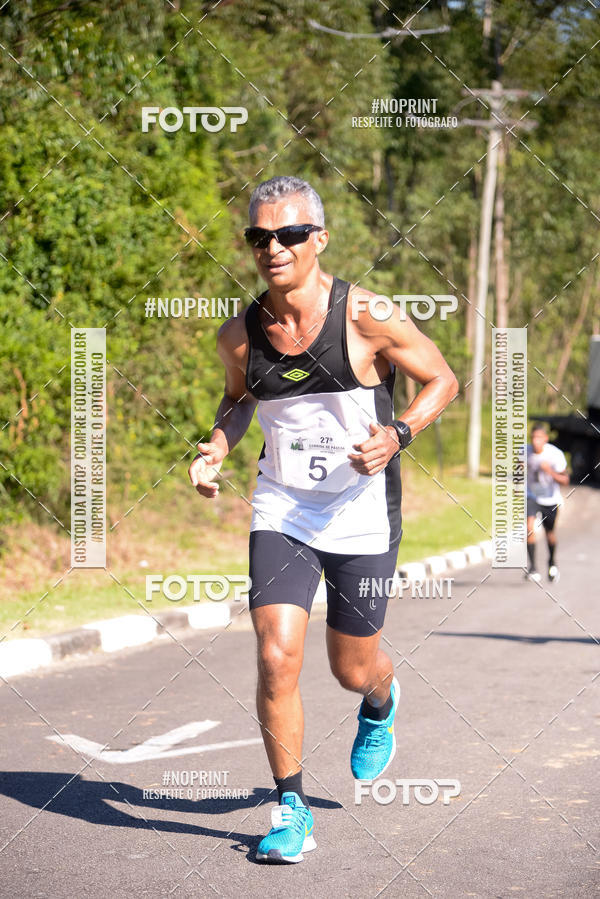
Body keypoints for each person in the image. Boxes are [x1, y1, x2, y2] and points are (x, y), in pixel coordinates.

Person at [188, 175, 458, 863]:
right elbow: (237, 400)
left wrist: (398, 432)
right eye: (259, 237)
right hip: (282, 509)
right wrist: (217, 445)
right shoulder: (241, 334)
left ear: (320, 238)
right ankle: (291, 805)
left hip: (361, 513)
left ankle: (381, 698)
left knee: (350, 666)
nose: (272, 247)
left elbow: (442, 379)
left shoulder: (367, 315)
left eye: (288, 234)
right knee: (277, 655)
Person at [526, 422, 569, 583]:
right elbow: (517, 471)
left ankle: (552, 562)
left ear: (545, 439)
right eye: (533, 438)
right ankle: (532, 568)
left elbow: (565, 480)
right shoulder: (525, 452)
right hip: (532, 496)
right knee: (529, 527)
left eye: (539, 438)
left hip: (550, 499)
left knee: (549, 533)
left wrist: (549, 471)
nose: (535, 441)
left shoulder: (555, 454)